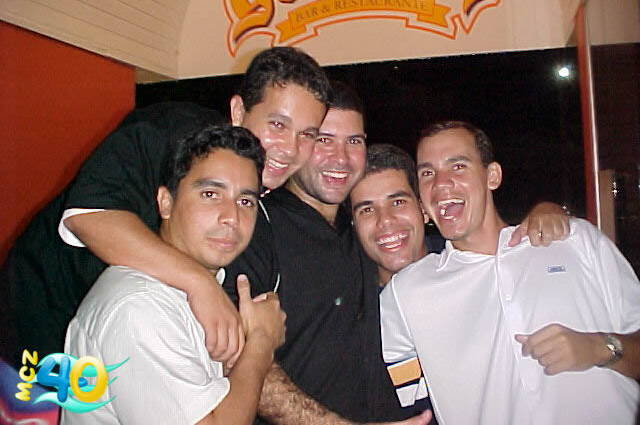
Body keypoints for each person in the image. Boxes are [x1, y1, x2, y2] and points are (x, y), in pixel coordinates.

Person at [224, 84, 570, 424]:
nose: (385, 222)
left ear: (424, 207)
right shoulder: (275, 233)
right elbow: (233, 355)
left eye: (398, 202)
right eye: (324, 140)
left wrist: (546, 212)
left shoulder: (468, 268)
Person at [0, 46, 328, 369]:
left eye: (307, 135)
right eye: (277, 125)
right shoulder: (170, 133)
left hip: (108, 368)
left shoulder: (259, 208)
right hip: (32, 345)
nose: (290, 149)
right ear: (239, 112)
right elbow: (89, 216)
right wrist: (199, 283)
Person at [377, 121, 640, 424]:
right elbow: (375, 389)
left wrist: (599, 348)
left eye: (458, 166)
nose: (441, 184)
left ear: (492, 176)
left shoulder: (574, 240)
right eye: (427, 173)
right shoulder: (407, 292)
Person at [62, 124, 286, 424]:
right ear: (165, 203)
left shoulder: (192, 294)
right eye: (210, 194)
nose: (232, 217)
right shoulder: (141, 307)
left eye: (245, 201)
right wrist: (261, 342)